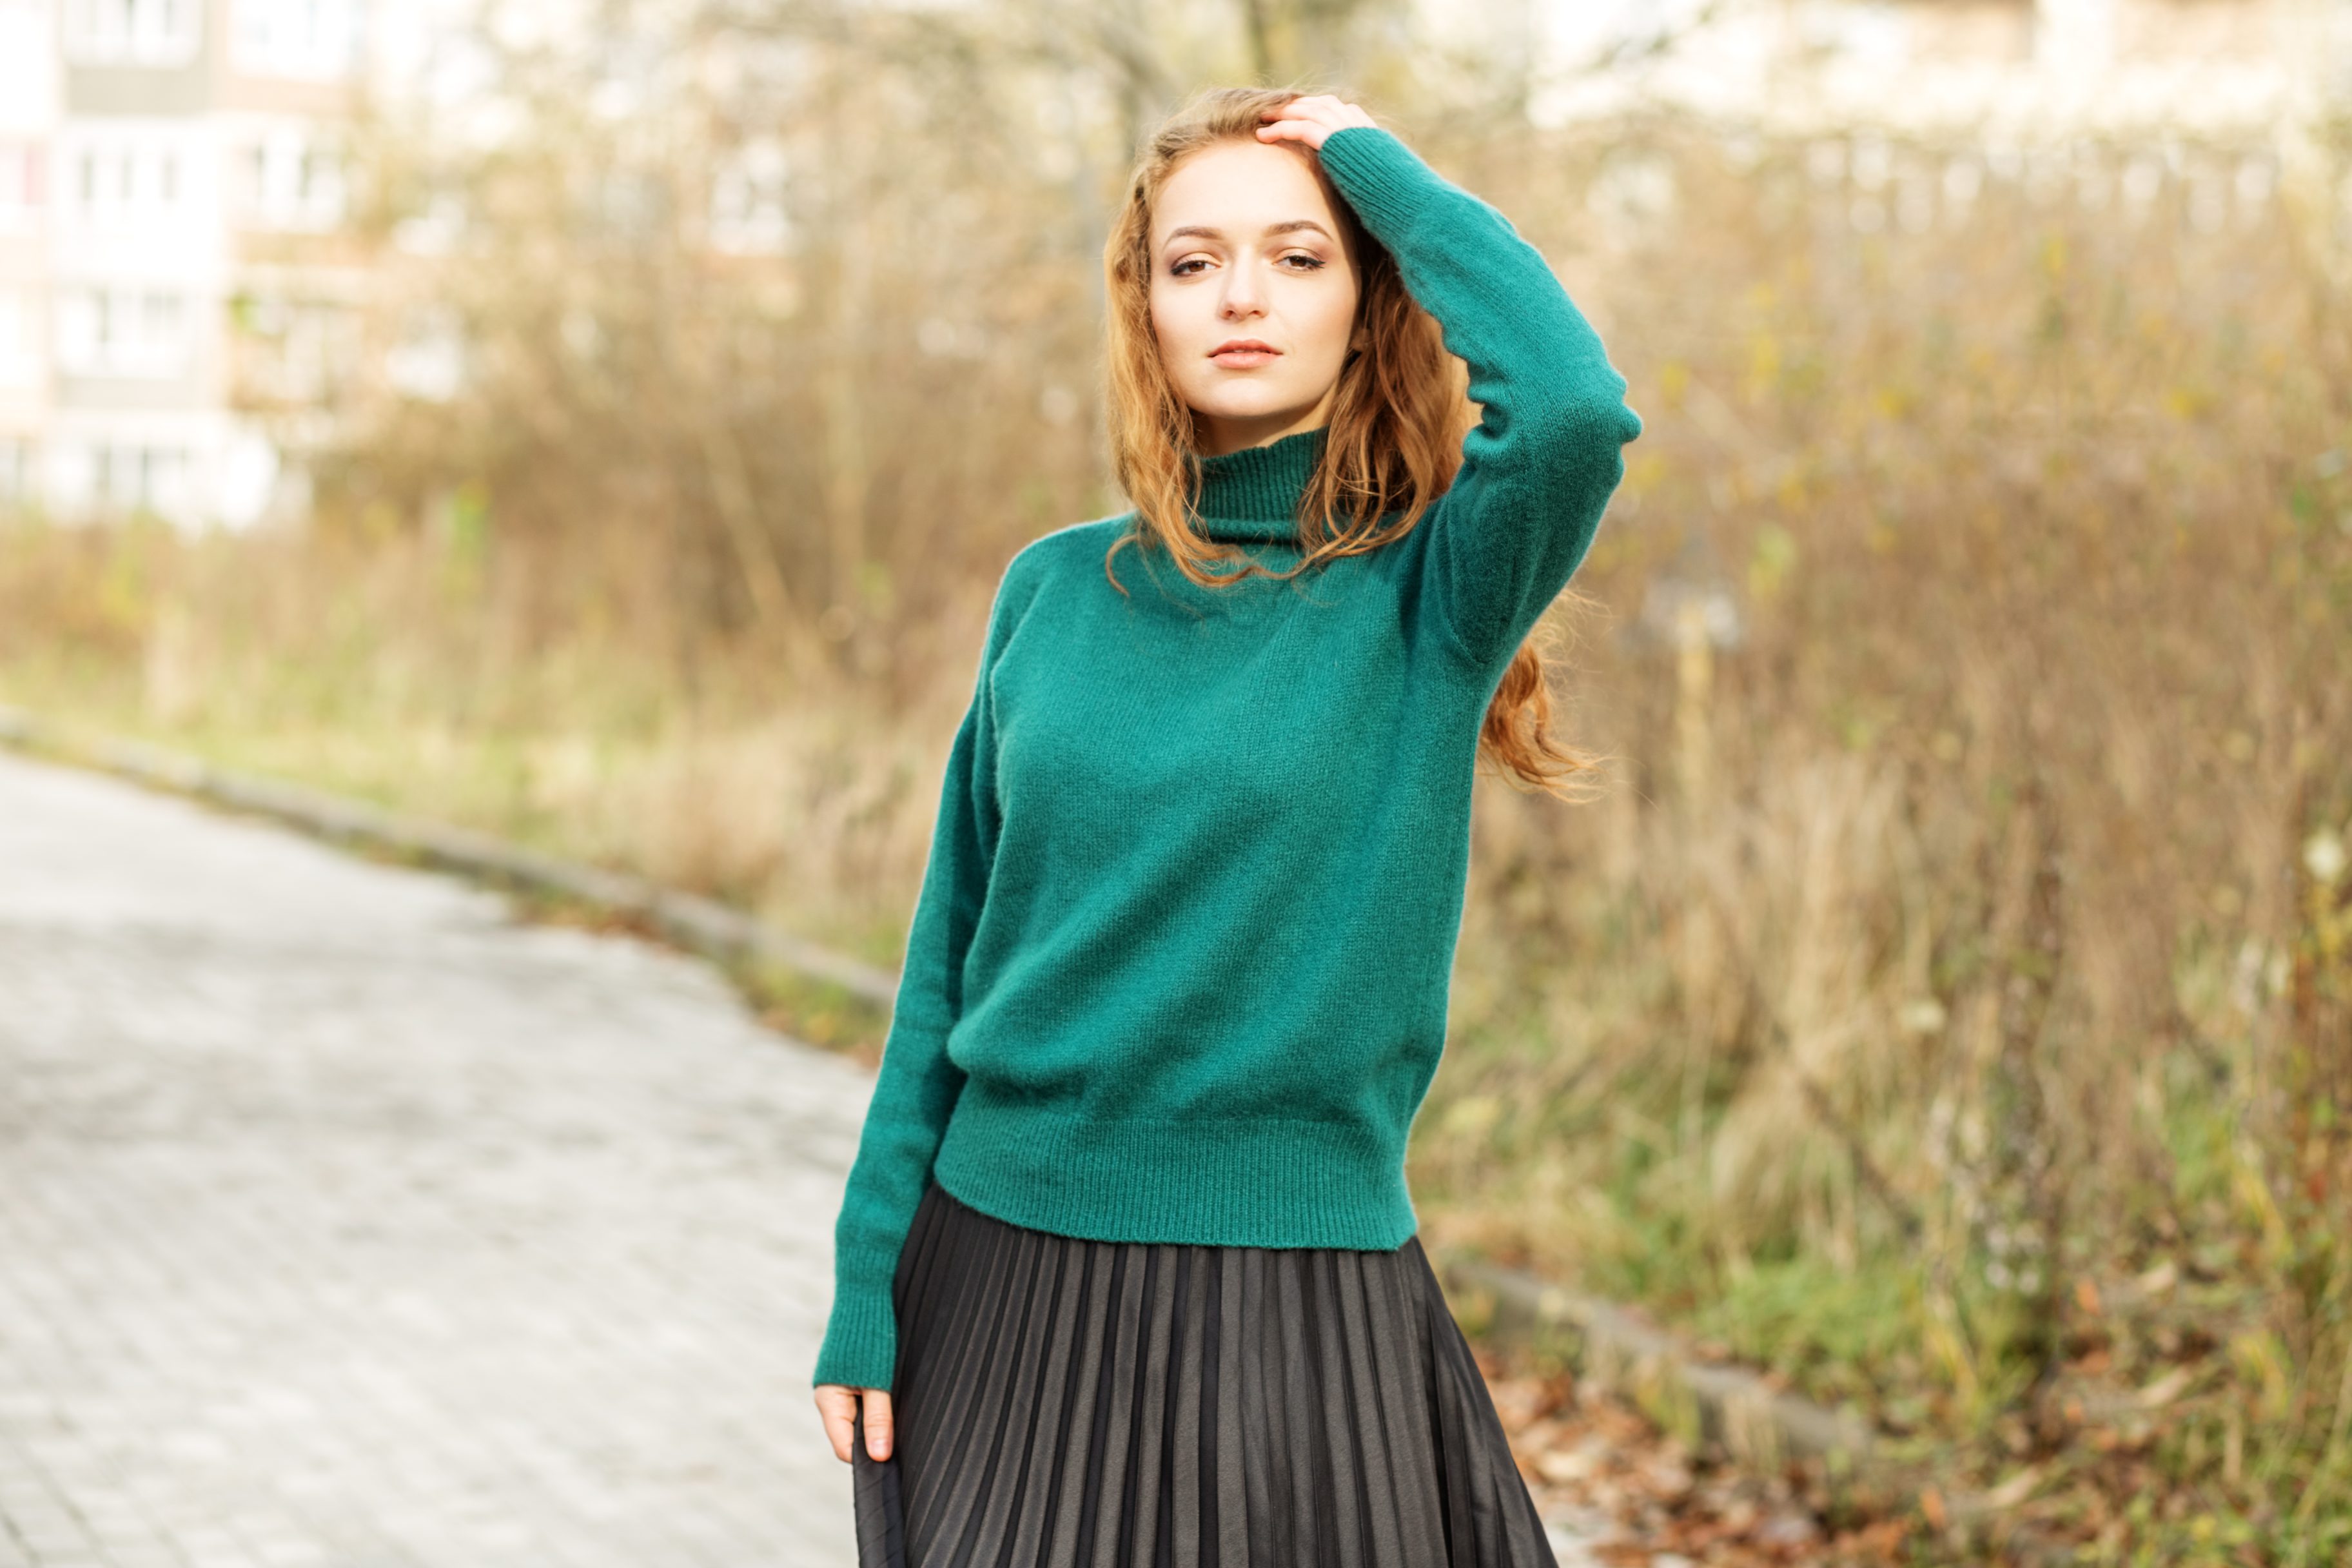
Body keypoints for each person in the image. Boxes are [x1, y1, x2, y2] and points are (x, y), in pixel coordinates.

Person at [810, 83, 1642, 1565]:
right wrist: (868, 1276)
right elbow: (950, 952)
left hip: (1299, 1305)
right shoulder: (1054, 592)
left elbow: (1573, 406)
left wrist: (1376, 170)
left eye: (1298, 256)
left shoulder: (1433, 591)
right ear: (1145, 308)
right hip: (996, 1275)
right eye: (1193, 262)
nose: (1241, 296)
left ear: (1368, 298)